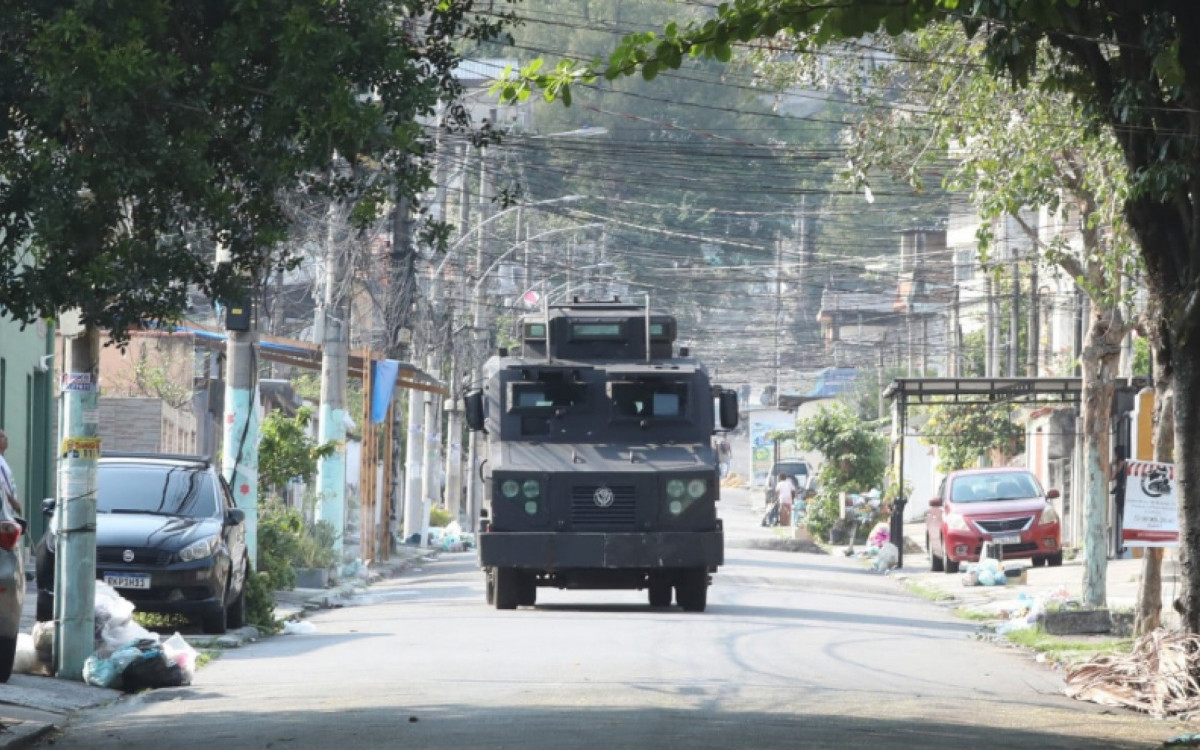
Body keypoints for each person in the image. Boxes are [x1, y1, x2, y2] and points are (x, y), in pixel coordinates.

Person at [0, 429, 20, 517]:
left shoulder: (2, 460)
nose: (6, 438)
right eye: (1, 436)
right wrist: (13, 502)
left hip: (7, 512)